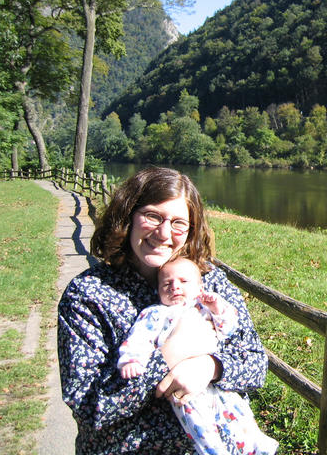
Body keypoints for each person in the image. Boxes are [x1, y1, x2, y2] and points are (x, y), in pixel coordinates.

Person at [57, 167, 270, 454]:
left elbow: (256, 363)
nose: (164, 233)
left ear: (191, 229)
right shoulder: (88, 294)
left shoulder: (210, 280)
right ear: (127, 216)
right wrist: (171, 354)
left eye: (179, 223)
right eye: (153, 216)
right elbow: (89, 407)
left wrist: (210, 366)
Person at [117, 257, 278, 455]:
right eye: (166, 284)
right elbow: (139, 337)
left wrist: (218, 309)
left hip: (214, 383)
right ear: (157, 291)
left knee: (237, 411)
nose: (175, 287)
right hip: (181, 388)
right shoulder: (155, 314)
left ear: (200, 288)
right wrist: (131, 359)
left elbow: (229, 329)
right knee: (198, 423)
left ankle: (257, 445)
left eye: (184, 281)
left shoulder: (204, 308)